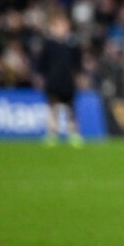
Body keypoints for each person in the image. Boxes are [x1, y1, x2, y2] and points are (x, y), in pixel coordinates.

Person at [35, 13, 84, 148]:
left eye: (65, 25)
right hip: (53, 80)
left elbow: (78, 64)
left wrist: (79, 77)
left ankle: (73, 134)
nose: (63, 28)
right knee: (52, 107)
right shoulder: (49, 44)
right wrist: (40, 76)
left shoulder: (72, 44)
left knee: (70, 108)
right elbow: (42, 62)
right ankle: (52, 134)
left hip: (68, 81)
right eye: (60, 25)